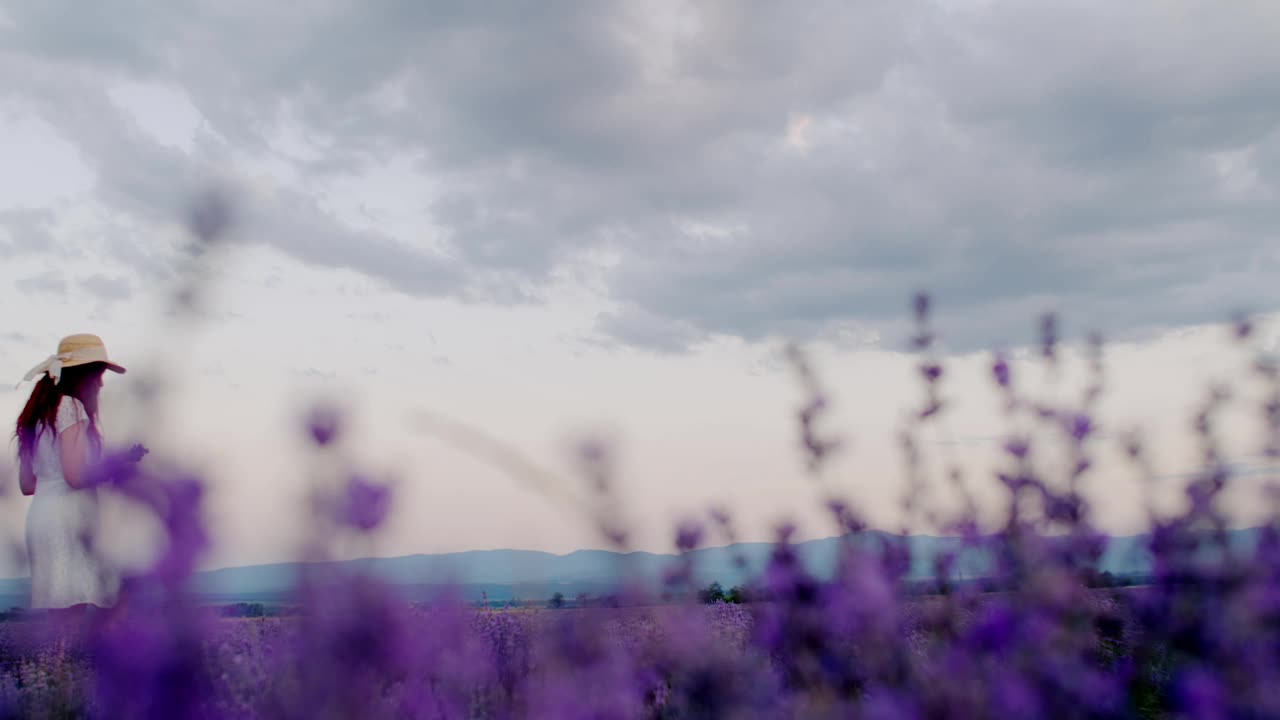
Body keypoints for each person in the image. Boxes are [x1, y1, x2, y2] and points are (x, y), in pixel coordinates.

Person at [13, 333, 143, 611]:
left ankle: (51, 658)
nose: (101, 382)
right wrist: (115, 467)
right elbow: (75, 477)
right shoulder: (71, 407)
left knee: (57, 612)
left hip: (40, 517)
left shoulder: (33, 415)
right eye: (98, 374)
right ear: (83, 374)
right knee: (74, 608)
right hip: (68, 519)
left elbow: (27, 484)